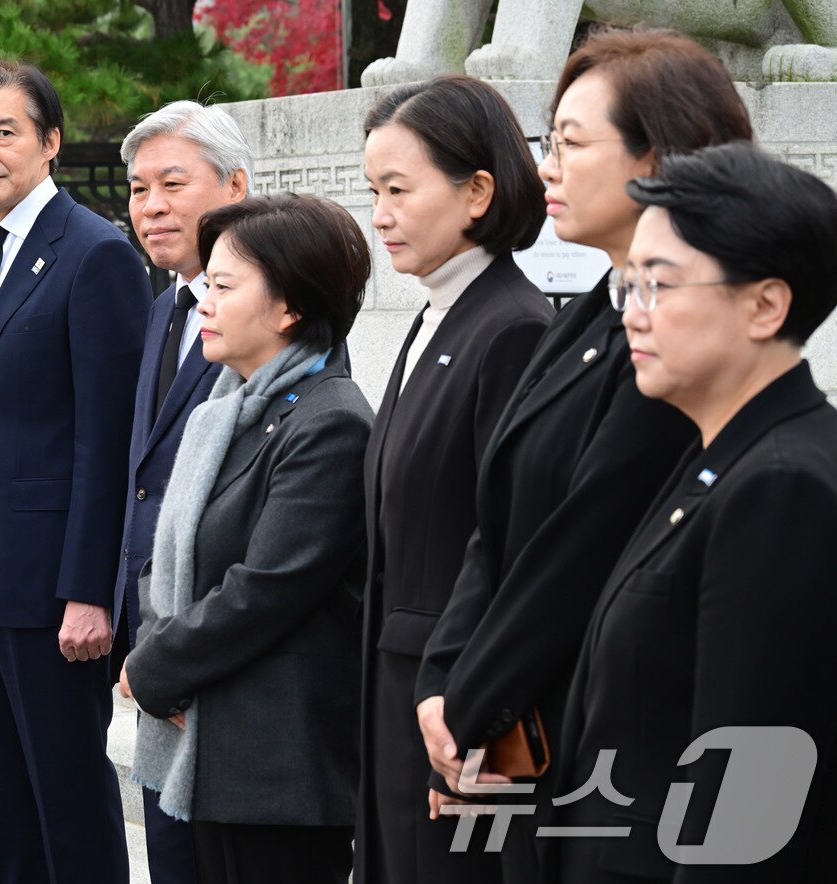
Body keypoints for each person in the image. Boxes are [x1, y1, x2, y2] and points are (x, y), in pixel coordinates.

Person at [410, 31, 754, 884]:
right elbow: (495, 528)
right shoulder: (585, 316)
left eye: (571, 141)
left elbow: (582, 541)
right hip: (514, 724)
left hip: (595, 732)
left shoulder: (673, 343)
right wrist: (444, 680)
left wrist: (468, 703)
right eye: (547, 140)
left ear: (661, 155)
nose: (546, 164)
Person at [548, 142, 837, 881]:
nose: (633, 316)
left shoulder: (782, 486)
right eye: (627, 285)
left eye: (659, 285)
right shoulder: (722, 449)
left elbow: (744, 799)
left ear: (766, 304)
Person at [0, 60, 148, 883]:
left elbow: (107, 439)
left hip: (53, 589)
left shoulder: (95, 255)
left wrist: (92, 589)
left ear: (49, 143)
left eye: (3, 132)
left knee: (69, 798)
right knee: (3, 802)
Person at [119, 193, 373, 884]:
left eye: (224, 287)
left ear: (289, 306)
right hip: (207, 736)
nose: (204, 301)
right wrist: (155, 650)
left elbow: (268, 587)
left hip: (275, 764)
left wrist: (154, 670)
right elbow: (169, 551)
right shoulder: (226, 408)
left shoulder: (331, 422)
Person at [356, 75, 553, 884]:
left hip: (456, 698)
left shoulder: (511, 326)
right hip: (400, 685)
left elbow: (508, 543)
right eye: (373, 192)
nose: (379, 216)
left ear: (478, 190)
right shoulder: (436, 313)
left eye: (398, 190)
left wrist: (477, 707)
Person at [115, 98, 251, 884]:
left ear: (234, 184)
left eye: (173, 183)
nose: (152, 206)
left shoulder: (273, 313)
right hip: (155, 636)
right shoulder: (166, 305)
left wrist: (179, 652)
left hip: (216, 649)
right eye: (138, 189)